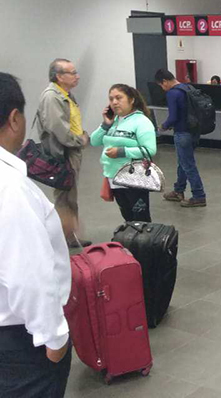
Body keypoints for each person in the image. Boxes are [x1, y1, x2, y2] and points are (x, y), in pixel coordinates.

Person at [0, 73, 72, 398]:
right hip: (19, 341)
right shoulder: (10, 188)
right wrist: (54, 339)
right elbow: (28, 275)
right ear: (14, 119)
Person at [37, 58, 91, 248]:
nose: (77, 76)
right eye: (72, 73)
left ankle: (69, 235)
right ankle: (65, 236)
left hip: (71, 151)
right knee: (64, 196)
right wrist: (80, 140)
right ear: (59, 76)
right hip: (63, 153)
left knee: (70, 195)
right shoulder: (52, 97)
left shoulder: (65, 94)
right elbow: (58, 129)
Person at [90, 84, 158, 222]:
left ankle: (144, 243)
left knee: (140, 219)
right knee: (127, 216)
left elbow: (149, 150)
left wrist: (121, 152)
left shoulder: (141, 121)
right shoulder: (112, 122)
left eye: (119, 98)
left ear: (131, 99)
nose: (114, 102)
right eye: (111, 99)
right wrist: (105, 125)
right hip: (113, 176)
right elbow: (94, 141)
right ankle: (131, 241)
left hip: (134, 177)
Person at [156, 69, 207, 208]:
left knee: (188, 165)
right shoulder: (188, 88)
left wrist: (163, 127)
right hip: (194, 131)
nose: (163, 88)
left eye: (161, 85)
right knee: (183, 162)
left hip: (182, 133)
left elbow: (172, 117)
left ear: (165, 82)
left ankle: (199, 195)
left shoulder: (173, 93)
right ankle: (179, 190)